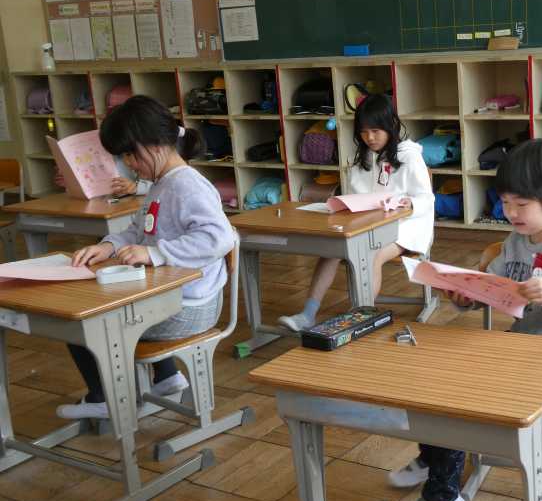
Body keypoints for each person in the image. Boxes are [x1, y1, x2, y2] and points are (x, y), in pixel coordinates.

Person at [389, 139, 542, 501]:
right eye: (505, 202)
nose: (510, 212)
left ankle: (443, 495)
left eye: (521, 204)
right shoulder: (516, 240)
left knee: (462, 397)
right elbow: (495, 288)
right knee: (435, 378)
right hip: (521, 349)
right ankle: (435, 454)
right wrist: (466, 296)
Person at [57, 95, 236, 420]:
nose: (129, 164)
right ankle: (167, 378)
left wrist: (156, 253)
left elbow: (218, 238)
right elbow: (138, 231)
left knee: (83, 320)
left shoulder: (186, 186)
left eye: (130, 154)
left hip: (191, 307)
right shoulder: (161, 184)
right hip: (175, 298)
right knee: (119, 296)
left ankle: (104, 398)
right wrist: (108, 247)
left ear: (153, 145)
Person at [278, 94, 434, 331]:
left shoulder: (409, 156)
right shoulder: (362, 157)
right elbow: (356, 197)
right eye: (364, 132)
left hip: (405, 227)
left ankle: (359, 319)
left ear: (390, 125)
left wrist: (408, 203)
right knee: (330, 250)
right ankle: (307, 314)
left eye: (375, 131)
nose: (369, 138)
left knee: (372, 254)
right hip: (367, 224)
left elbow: (426, 198)